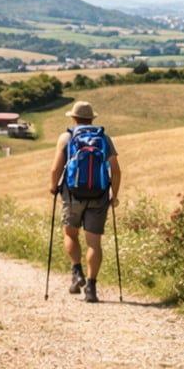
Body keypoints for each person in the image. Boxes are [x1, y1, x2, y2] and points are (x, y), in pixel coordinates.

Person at [49, 101, 121, 302]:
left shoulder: (67, 137)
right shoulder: (104, 138)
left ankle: (77, 272)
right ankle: (91, 287)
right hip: (98, 195)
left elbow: (56, 168)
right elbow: (116, 171)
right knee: (94, 242)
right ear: (92, 119)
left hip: (72, 194)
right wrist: (114, 195)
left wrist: (53, 187)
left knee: (70, 233)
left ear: (73, 118)